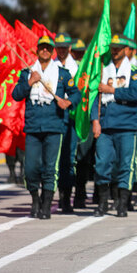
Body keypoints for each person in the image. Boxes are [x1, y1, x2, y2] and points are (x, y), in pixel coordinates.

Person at [12, 35, 81, 219]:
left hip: (54, 126)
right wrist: (29, 82)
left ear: (53, 51)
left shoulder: (62, 73)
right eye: (42, 47)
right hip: (33, 127)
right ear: (37, 50)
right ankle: (35, 199)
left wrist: (68, 102)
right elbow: (16, 94)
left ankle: (46, 204)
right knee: (31, 168)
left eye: (48, 48)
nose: (45, 50)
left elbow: (76, 93)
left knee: (51, 168)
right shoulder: (27, 72)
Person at [91, 34, 137, 218]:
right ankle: (102, 202)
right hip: (106, 124)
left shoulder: (136, 69)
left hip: (127, 124)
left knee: (126, 166)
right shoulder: (102, 68)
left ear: (126, 49)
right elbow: (95, 97)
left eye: (118, 47)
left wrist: (112, 90)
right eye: (112, 47)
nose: (115, 50)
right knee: (101, 163)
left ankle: (123, 203)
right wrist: (95, 120)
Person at [53, 32, 79, 214]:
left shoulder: (77, 67)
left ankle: (67, 198)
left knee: (69, 159)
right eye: (59, 47)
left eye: (65, 47)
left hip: (72, 117)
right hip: (54, 116)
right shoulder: (51, 66)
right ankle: (57, 195)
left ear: (70, 48)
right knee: (54, 159)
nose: (62, 50)